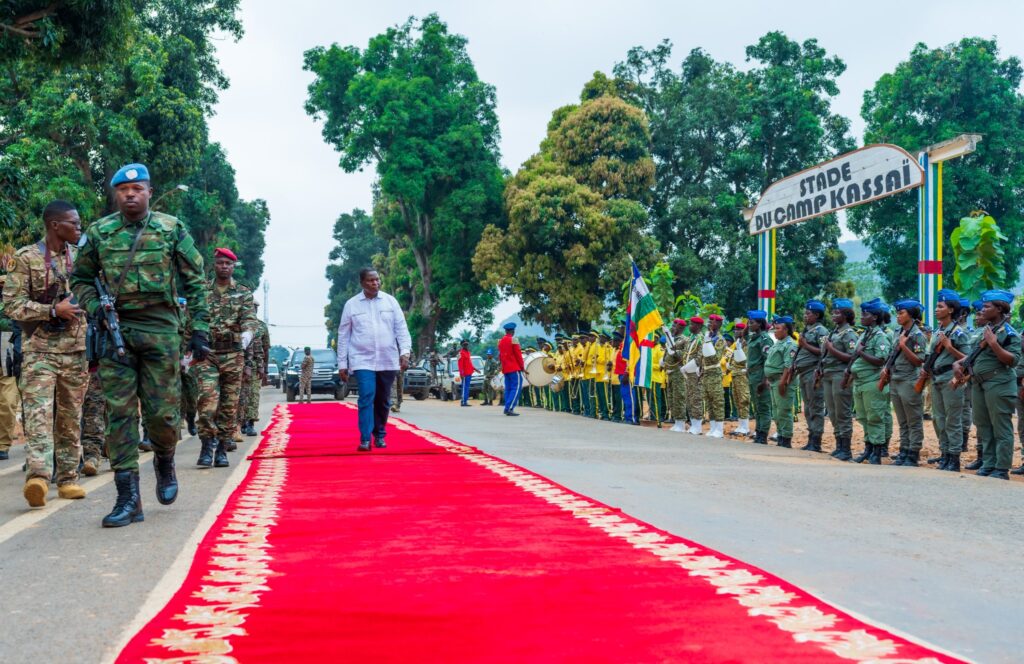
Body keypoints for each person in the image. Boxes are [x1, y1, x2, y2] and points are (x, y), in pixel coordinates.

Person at [72, 164, 210, 527]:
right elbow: (80, 279)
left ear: (150, 192)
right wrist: (95, 308)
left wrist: (200, 330)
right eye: (123, 190)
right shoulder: (99, 232)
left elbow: (195, 281)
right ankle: (128, 498)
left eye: (137, 189)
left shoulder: (171, 228)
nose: (130, 194)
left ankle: (165, 459)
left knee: (162, 415)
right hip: (116, 330)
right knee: (119, 414)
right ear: (115, 194)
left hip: (161, 330)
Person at [3, 200, 90, 507]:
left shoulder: (82, 258)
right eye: (73, 223)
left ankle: (67, 479)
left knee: (70, 417)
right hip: (39, 350)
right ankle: (38, 478)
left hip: (76, 350)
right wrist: (52, 311)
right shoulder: (26, 258)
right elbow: (12, 305)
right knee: (38, 414)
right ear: (55, 225)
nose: (78, 227)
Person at [192, 247, 257, 469]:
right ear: (214, 265)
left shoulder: (243, 293)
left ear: (233, 267)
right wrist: (186, 351)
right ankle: (206, 445)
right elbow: (191, 319)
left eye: (228, 264)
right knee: (206, 402)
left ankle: (221, 448)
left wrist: (247, 335)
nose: (224, 267)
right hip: (207, 354)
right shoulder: (202, 291)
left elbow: (249, 319)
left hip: (233, 354)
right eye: (220, 263)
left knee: (229, 406)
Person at [336, 268, 412, 450]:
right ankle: (365, 439)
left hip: (387, 359)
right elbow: (343, 335)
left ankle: (379, 434)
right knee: (366, 396)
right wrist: (342, 364)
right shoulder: (352, 305)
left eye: (377, 279)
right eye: (371, 280)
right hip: (362, 359)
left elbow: (401, 329)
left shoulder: (390, 302)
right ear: (362, 282)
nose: (375, 283)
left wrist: (405, 352)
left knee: (383, 400)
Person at [953, 289, 1021, 480]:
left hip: (999, 383)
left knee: (1001, 427)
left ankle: (1002, 467)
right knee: (983, 426)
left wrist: (994, 344)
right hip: (979, 384)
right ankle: (989, 463)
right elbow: (974, 354)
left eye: (986, 306)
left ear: (999, 309)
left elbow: (1013, 360)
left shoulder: (1009, 333)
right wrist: (958, 363)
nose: (982, 310)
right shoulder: (986, 330)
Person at [923, 289, 970, 471]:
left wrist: (949, 348)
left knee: (952, 420)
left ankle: (954, 457)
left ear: (951, 310)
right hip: (936, 378)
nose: (936, 309)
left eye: (940, 306)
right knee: (938, 419)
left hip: (951, 379)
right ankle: (945, 454)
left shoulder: (958, 333)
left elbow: (968, 358)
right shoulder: (938, 331)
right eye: (936, 306)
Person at [885, 299, 928, 467]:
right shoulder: (898, 331)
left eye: (901, 313)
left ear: (910, 315)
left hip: (909, 379)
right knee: (902, 420)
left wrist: (904, 346)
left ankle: (913, 452)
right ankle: (904, 450)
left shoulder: (917, 335)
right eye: (897, 313)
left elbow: (919, 361)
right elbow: (892, 353)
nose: (898, 316)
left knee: (913, 420)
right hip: (896, 378)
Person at [850, 299, 892, 465]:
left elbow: (881, 359)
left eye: (865, 314)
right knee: (863, 417)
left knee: (875, 417)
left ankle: (877, 452)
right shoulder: (865, 334)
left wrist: (862, 353)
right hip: (860, 382)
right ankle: (868, 449)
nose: (861, 317)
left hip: (872, 382)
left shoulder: (880, 336)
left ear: (874, 317)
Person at [821, 299, 859, 461]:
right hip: (828, 374)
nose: (833, 315)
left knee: (842, 412)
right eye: (833, 312)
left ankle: (846, 449)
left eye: (837, 313)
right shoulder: (834, 332)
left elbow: (852, 356)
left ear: (846, 315)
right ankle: (839, 445)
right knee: (832, 412)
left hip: (840, 374)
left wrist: (831, 349)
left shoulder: (849, 334)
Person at [795, 300, 829, 452]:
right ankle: (811, 438)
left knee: (815, 407)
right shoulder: (807, 330)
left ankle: (816, 441)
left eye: (808, 313)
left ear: (816, 315)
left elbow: (824, 352)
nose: (805, 316)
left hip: (813, 372)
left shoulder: (821, 331)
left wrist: (805, 345)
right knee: (808, 408)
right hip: (803, 373)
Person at [762, 315, 798, 448]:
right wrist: (768, 379)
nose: (775, 331)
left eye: (777, 328)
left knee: (783, 411)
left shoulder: (790, 344)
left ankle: (786, 439)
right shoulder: (778, 343)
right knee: (776, 412)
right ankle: (781, 436)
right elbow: (772, 362)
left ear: (786, 330)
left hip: (782, 381)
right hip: (774, 381)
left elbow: (788, 366)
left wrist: (783, 383)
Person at [745, 311, 774, 445]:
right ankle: (758, 432)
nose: (749, 325)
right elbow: (743, 335)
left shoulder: (764, 339)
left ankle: (763, 435)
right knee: (757, 406)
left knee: (763, 406)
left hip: (760, 375)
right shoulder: (754, 337)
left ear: (760, 324)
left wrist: (765, 380)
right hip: (753, 375)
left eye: (752, 323)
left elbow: (768, 361)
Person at [700, 314, 728, 438]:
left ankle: (719, 429)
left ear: (719, 324)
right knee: (709, 401)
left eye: (713, 321)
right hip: (706, 372)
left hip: (714, 372)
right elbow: (702, 356)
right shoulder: (708, 337)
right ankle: (713, 428)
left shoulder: (720, 340)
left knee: (717, 401)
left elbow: (715, 358)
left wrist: (707, 342)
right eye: (709, 321)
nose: (710, 323)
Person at [681, 316, 706, 434]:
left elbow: (700, 356)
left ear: (698, 326)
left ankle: (698, 426)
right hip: (688, 373)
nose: (689, 326)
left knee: (696, 399)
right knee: (689, 399)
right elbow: (683, 350)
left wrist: (686, 367)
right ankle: (693, 423)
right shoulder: (690, 338)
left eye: (692, 324)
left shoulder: (701, 339)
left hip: (695, 373)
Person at [663, 319, 688, 432]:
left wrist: (675, 352)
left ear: (681, 328)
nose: (672, 328)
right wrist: (664, 360)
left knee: (679, 397)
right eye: (672, 325)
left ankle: (681, 422)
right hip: (670, 372)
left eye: (674, 326)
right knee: (671, 397)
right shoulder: (671, 339)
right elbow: (666, 353)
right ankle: (676, 421)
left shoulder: (684, 340)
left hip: (678, 372)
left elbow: (684, 355)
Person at [498, 322, 525, 416]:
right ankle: (509, 408)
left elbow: (500, 356)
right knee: (516, 388)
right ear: (513, 331)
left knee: (508, 389)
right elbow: (518, 355)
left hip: (506, 369)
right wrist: (522, 367)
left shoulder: (501, 341)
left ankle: (507, 407)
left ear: (506, 331)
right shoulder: (514, 340)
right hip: (514, 368)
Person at [728, 323, 750, 436]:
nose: (736, 331)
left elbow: (745, 360)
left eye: (739, 329)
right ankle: (741, 425)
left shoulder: (746, 343)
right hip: (735, 374)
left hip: (742, 375)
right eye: (735, 330)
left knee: (743, 400)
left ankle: (745, 427)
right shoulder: (737, 343)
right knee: (737, 400)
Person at [457, 340, 474, 406]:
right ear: (462, 345)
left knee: (467, 388)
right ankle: (463, 402)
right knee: (464, 388)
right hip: (464, 374)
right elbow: (460, 365)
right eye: (464, 345)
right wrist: (461, 374)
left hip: (469, 372)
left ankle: (465, 401)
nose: (466, 346)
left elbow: (469, 363)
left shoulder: (468, 352)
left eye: (467, 344)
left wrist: (474, 368)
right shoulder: (461, 353)